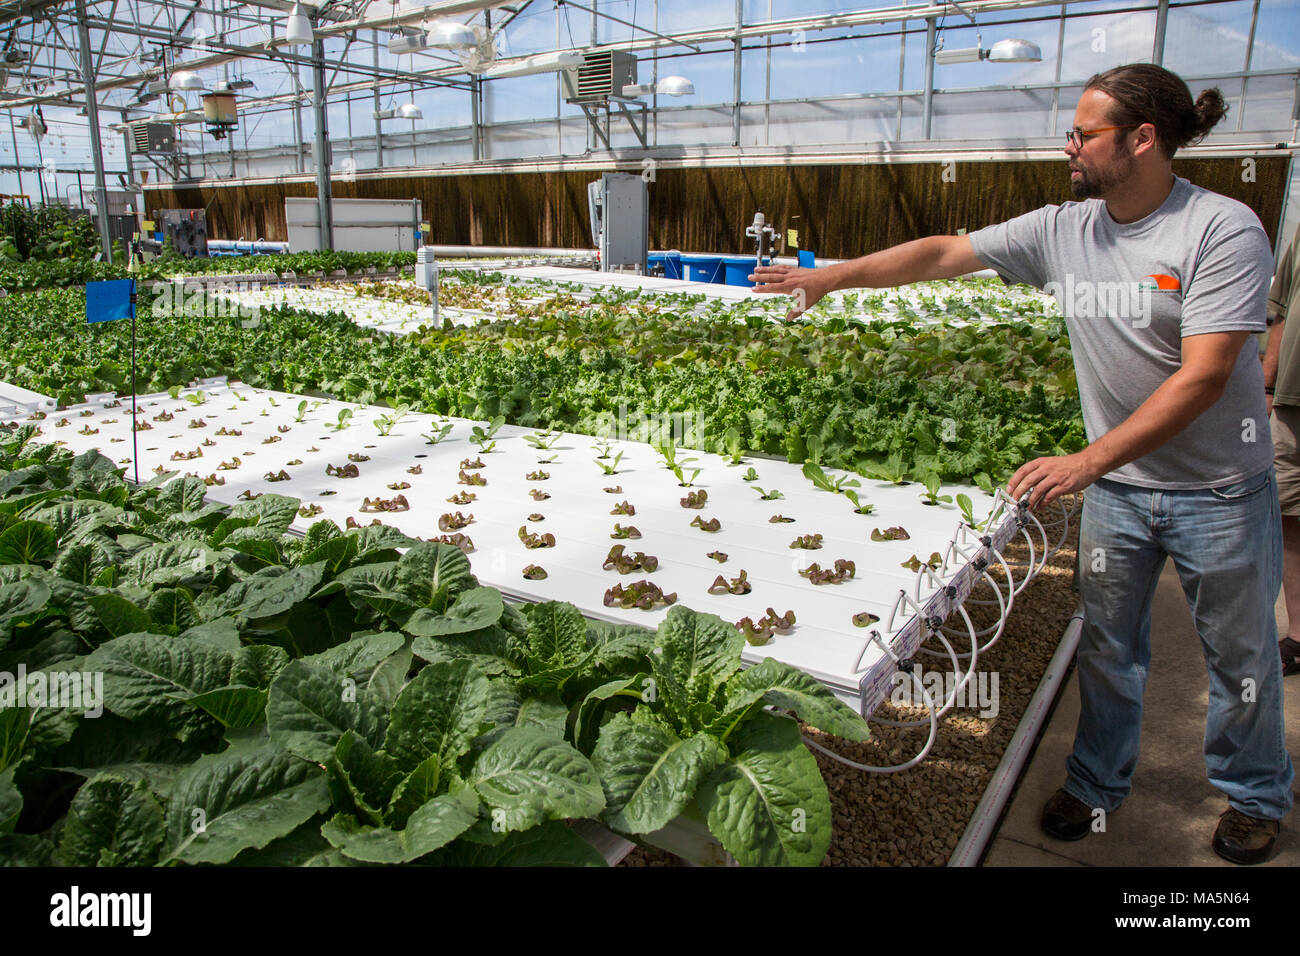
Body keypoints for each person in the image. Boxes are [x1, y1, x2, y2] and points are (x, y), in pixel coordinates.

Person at [751, 63, 1293, 865]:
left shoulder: (1221, 228)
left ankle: (1253, 796)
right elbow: (943, 252)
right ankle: (1096, 783)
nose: (1067, 145)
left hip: (1217, 491)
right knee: (1109, 647)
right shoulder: (1066, 229)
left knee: (1241, 657)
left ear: (1142, 139)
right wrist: (835, 276)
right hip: (1121, 493)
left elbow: (1206, 373)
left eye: (1084, 132)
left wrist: (1086, 460)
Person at [1263, 226, 1300, 676]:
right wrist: (1268, 384)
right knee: (1290, 517)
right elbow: (1282, 310)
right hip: (1293, 400)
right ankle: (1297, 635)